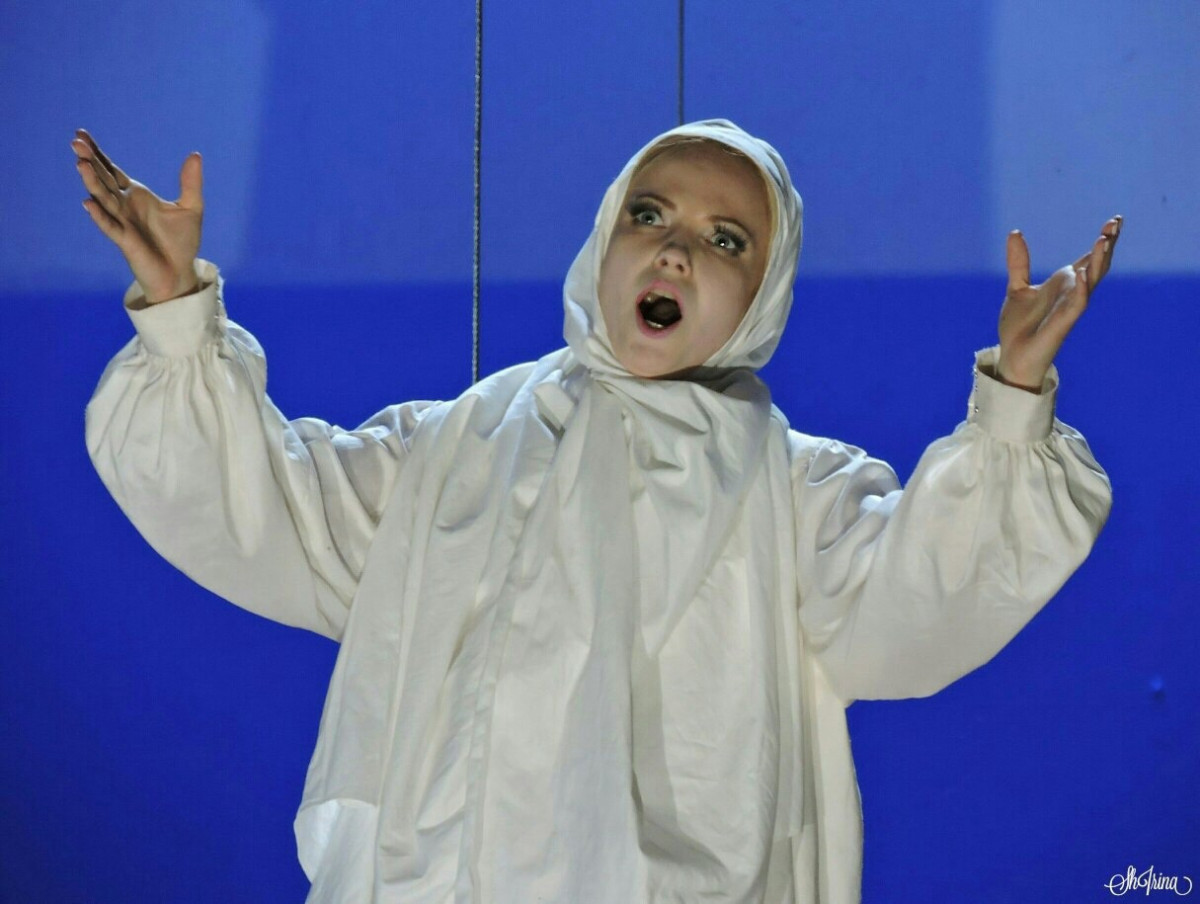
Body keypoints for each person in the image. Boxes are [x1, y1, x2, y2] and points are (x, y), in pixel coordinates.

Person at [76, 119, 1119, 904]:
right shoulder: (453, 449)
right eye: (648, 215)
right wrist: (177, 316)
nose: (674, 253)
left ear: (765, 296)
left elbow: (917, 604)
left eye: (725, 240)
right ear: (603, 240)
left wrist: (1012, 401)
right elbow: (263, 508)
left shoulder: (793, 493)